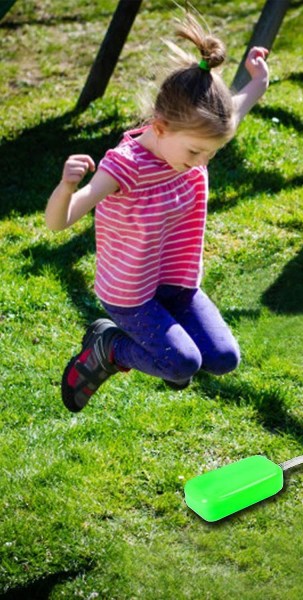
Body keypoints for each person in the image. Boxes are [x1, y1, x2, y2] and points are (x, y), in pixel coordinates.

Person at [45, 13, 269, 412]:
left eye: (210, 153)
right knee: (180, 363)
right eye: (196, 153)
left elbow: (235, 109)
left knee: (223, 359)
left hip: (178, 284)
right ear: (162, 128)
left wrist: (258, 80)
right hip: (131, 295)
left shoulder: (193, 138)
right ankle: (108, 347)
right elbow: (58, 222)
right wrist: (66, 187)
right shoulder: (125, 167)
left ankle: (167, 353)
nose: (202, 162)